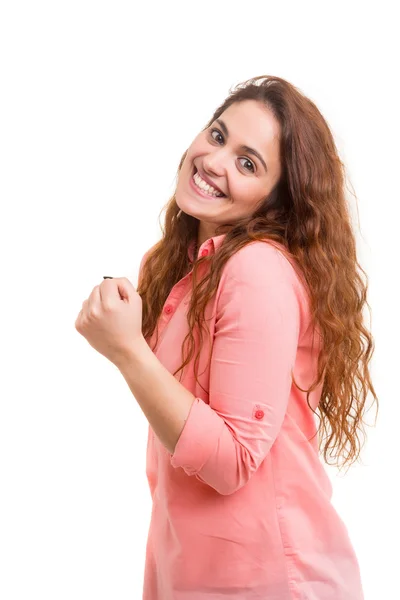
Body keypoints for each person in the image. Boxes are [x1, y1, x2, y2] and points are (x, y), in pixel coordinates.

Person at [136, 75, 378, 600]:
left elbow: (232, 460)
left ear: (276, 201)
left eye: (249, 163)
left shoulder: (256, 270)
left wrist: (126, 351)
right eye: (218, 136)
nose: (215, 162)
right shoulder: (178, 266)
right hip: (190, 571)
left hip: (269, 581)